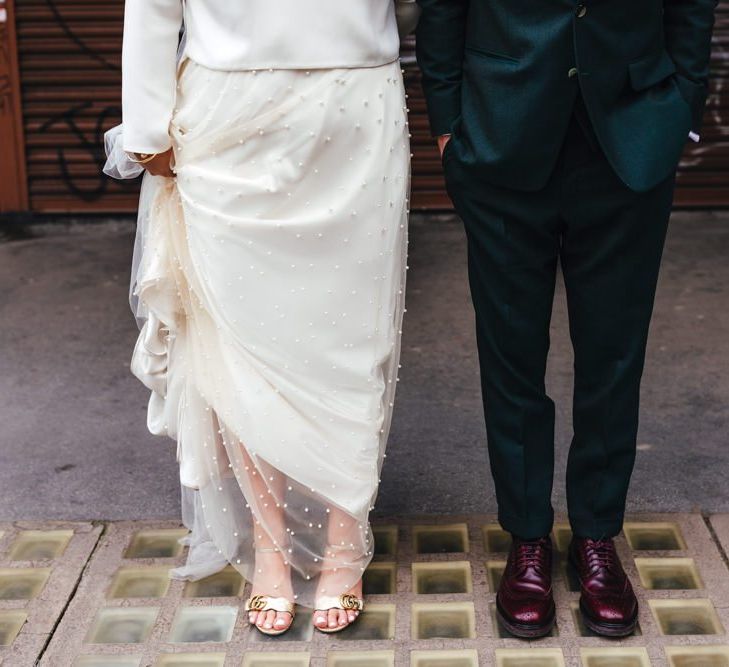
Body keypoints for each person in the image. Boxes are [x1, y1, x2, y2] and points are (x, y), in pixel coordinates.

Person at [108, 0, 419, 637]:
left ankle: (344, 540)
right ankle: (270, 549)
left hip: (354, 100)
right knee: (240, 337)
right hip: (229, 109)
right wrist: (146, 128)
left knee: (352, 338)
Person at [416, 0, 716, 638]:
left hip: (629, 136)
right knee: (510, 355)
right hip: (500, 130)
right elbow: (442, 9)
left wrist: (682, 110)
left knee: (614, 354)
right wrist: (448, 123)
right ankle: (527, 538)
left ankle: (597, 538)